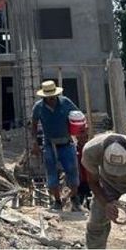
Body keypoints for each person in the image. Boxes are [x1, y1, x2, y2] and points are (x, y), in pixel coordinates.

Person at [31, 80, 82, 211]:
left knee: (72, 170)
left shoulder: (65, 102)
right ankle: (57, 201)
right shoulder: (38, 107)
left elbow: (78, 116)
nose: (51, 100)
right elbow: (34, 124)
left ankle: (74, 199)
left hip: (66, 142)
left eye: (53, 97)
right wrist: (35, 143)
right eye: (49, 97)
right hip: (50, 143)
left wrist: (80, 132)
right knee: (51, 173)